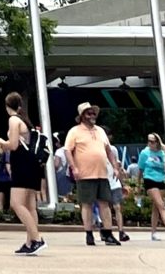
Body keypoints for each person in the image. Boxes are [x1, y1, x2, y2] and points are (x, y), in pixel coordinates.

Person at [65, 103, 122, 247]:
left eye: (93, 113)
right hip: (85, 174)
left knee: (105, 203)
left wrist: (115, 167)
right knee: (87, 204)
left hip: (102, 173)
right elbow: (67, 150)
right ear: (82, 116)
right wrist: (74, 168)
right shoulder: (74, 131)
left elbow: (108, 150)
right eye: (88, 113)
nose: (92, 116)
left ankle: (108, 233)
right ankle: (88, 233)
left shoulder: (101, 131)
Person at [2, 94, 47, 256]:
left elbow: (13, 145)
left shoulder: (13, 120)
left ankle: (36, 238)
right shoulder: (25, 121)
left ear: (7, 105)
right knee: (30, 206)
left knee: (16, 203)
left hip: (22, 164)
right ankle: (30, 242)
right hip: (33, 164)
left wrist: (1, 143)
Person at [138, 130, 165, 241]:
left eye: (153, 141)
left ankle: (153, 232)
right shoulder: (144, 153)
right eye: (149, 141)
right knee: (161, 205)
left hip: (160, 180)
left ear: (157, 142)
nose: (150, 143)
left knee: (156, 207)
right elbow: (140, 169)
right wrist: (138, 184)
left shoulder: (161, 153)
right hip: (149, 179)